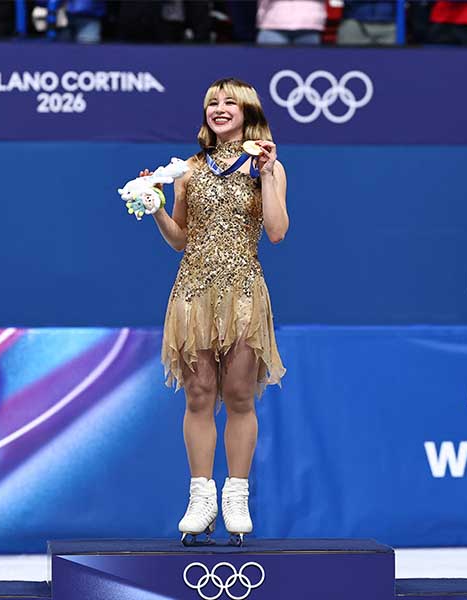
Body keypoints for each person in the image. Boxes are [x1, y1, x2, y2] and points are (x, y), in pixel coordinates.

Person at [145, 78, 287, 546]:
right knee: (199, 396)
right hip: (193, 292)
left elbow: (277, 230)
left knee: (240, 396)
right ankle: (201, 495)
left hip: (244, 291)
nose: (219, 108)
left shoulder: (267, 165)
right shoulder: (188, 168)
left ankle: (237, 494)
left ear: (247, 111)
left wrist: (266, 174)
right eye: (212, 102)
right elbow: (181, 239)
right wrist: (158, 209)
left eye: (229, 102)